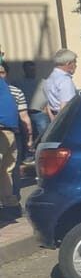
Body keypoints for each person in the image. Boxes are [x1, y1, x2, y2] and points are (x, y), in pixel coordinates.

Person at [0, 64, 30, 191]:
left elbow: (24, 116)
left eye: (1, 72)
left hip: (11, 133)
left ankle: (10, 200)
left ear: (7, 73)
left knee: (10, 169)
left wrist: (29, 138)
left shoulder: (15, 91)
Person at [0, 68, 23, 209]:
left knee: (7, 168)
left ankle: (9, 203)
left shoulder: (4, 85)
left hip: (8, 131)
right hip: (3, 130)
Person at [42, 49, 79, 120]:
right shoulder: (65, 80)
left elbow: (48, 105)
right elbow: (66, 107)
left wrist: (53, 121)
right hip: (66, 119)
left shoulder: (49, 78)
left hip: (54, 118)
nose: (76, 65)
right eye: (75, 62)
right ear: (68, 63)